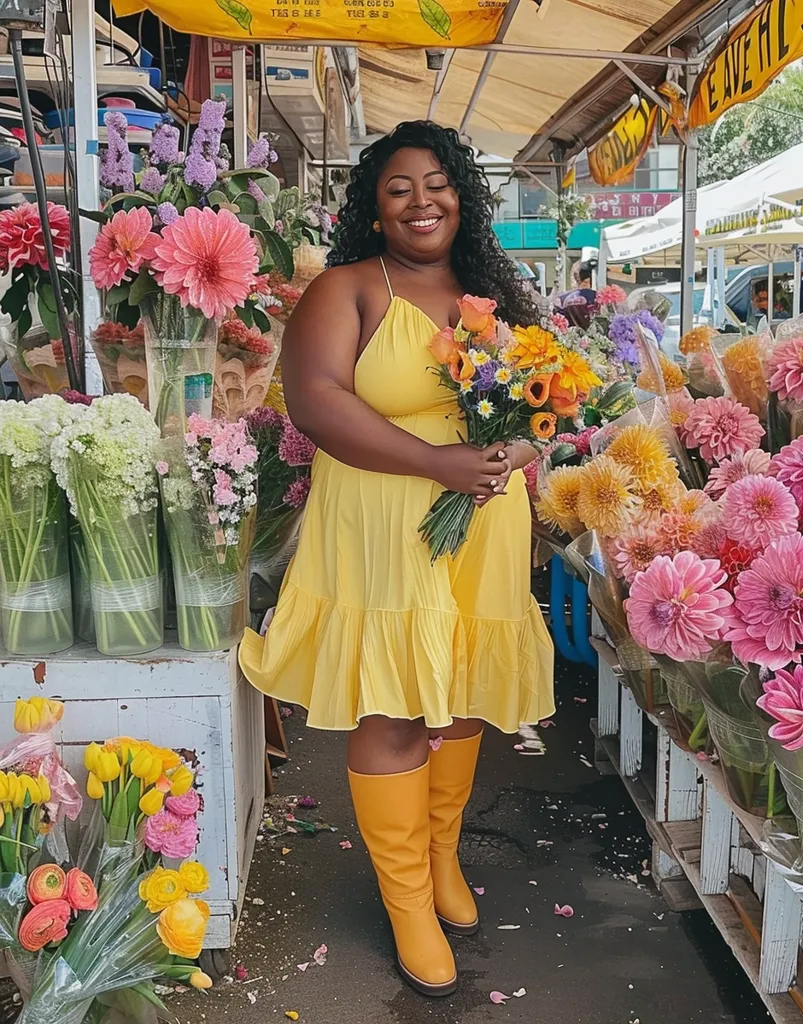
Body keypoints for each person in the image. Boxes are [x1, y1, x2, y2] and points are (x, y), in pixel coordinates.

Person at [239, 121, 554, 997]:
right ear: (375, 212)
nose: (423, 202)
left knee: (455, 694)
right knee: (396, 703)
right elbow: (315, 402)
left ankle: (442, 856)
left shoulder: (497, 293)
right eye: (399, 189)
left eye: (437, 183)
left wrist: (512, 457)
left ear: (464, 194)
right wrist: (436, 462)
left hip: (480, 519)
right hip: (384, 521)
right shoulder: (346, 289)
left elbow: (548, 406)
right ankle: (408, 900)